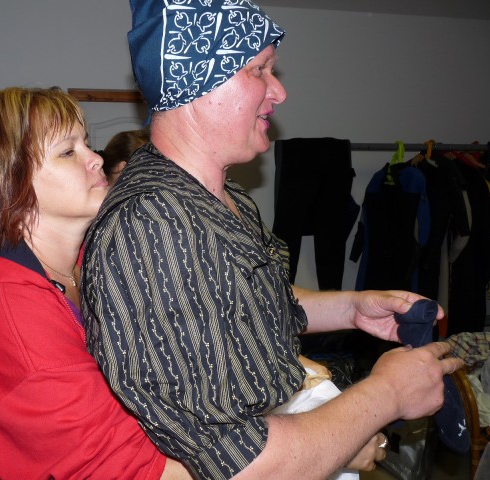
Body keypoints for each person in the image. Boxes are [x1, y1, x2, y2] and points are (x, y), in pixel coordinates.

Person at [81, 2, 465, 479]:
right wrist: (387, 394)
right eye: (258, 70)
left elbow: (258, 303)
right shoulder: (152, 225)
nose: (279, 91)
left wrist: (352, 308)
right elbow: (238, 464)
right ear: (196, 83)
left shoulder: (221, 196)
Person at [0, 87, 190, 480]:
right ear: (8, 181)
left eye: (86, 143)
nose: (96, 158)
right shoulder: (5, 317)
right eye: (68, 152)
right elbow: (135, 473)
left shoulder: (87, 266)